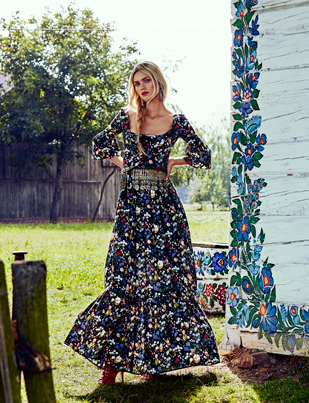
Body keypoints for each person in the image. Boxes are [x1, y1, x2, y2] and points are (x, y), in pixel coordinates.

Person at [65, 61, 220, 384]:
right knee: (124, 279)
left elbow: (204, 155)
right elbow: (100, 144)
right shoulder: (128, 117)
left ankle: (153, 360)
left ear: (158, 83)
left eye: (146, 81)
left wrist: (175, 160)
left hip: (164, 210)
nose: (141, 88)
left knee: (165, 280)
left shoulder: (175, 121)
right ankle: (111, 363)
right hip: (133, 207)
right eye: (136, 83)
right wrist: (126, 163)